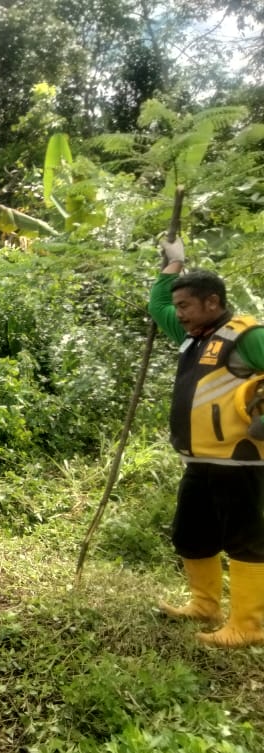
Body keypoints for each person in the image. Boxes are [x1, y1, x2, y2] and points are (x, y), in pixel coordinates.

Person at [152, 237, 264, 648]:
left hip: (240, 461)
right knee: (191, 533)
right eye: (178, 307)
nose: (176, 314)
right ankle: (205, 605)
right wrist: (173, 265)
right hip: (200, 462)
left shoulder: (246, 336)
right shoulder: (195, 334)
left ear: (212, 302)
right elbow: (158, 306)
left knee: (245, 539)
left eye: (185, 306)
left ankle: (249, 625)